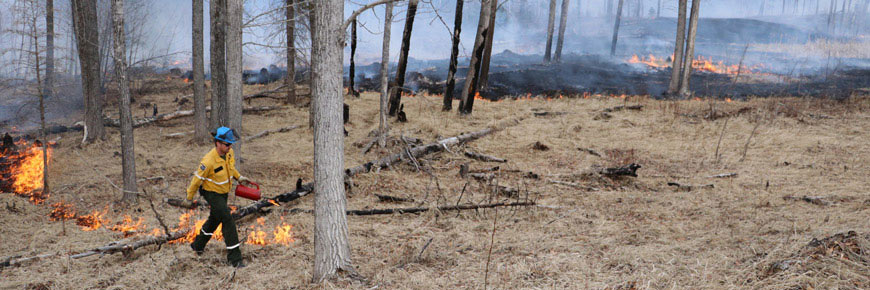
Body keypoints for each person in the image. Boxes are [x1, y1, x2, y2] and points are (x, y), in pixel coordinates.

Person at [183, 126, 253, 268]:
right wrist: (189, 198)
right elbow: (196, 180)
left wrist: (239, 178)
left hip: (223, 192)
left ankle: (197, 245)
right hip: (212, 194)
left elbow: (231, 168)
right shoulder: (208, 161)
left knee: (214, 219)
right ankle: (235, 259)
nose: (230, 146)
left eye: (230, 144)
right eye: (227, 144)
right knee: (228, 220)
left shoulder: (229, 153)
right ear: (218, 143)